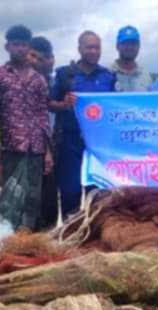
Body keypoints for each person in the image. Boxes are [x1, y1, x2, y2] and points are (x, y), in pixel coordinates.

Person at [0, 25, 52, 231]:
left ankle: (26, 240)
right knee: (10, 198)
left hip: (36, 149)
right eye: (16, 44)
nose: (20, 49)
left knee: (33, 199)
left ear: (29, 48)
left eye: (24, 45)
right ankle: (6, 239)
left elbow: (43, 117)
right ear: (7, 47)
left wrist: (48, 153)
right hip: (11, 149)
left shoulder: (39, 80)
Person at [50, 31, 117, 218]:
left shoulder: (108, 77)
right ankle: (70, 229)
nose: (94, 51)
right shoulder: (65, 74)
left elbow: (116, 108)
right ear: (79, 49)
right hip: (70, 141)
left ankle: (94, 229)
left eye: (97, 47)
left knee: (97, 192)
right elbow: (49, 103)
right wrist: (64, 104)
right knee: (70, 191)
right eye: (89, 47)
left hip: (98, 144)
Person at [30, 36, 59, 229]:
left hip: (55, 143)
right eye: (36, 57)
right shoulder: (23, 82)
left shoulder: (58, 82)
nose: (43, 62)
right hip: (32, 147)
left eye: (47, 57)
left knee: (50, 196)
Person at [110, 25, 153, 92]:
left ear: (139, 47)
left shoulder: (145, 76)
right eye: (125, 43)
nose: (129, 47)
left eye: (133, 44)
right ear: (117, 46)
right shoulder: (107, 74)